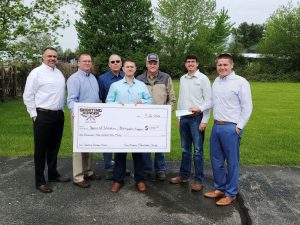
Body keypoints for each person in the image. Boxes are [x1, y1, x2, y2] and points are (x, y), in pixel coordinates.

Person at [204, 53, 253, 206]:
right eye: (219, 65)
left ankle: (231, 193)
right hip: (217, 126)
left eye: (225, 65)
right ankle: (220, 188)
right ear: (216, 66)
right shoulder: (217, 81)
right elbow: (211, 101)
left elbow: (247, 106)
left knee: (232, 162)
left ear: (232, 65)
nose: (222, 67)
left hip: (231, 127)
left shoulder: (241, 82)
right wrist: (198, 108)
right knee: (216, 160)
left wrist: (239, 127)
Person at [23, 47, 70, 194]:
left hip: (58, 115)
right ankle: (40, 181)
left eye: (55, 56)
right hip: (42, 115)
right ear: (43, 57)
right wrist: (33, 114)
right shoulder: (36, 73)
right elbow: (28, 95)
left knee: (54, 147)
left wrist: (62, 110)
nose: (52, 58)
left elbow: (60, 94)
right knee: (40, 150)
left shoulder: (59, 73)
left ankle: (53, 174)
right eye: (49, 56)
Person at [106, 59, 152, 193]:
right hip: (120, 125)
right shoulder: (115, 86)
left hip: (137, 125)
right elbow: (108, 102)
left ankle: (140, 180)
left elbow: (150, 101)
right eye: (127, 66)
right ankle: (117, 180)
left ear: (135, 69)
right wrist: (117, 104)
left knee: (138, 154)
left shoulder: (142, 85)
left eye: (132, 66)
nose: (130, 68)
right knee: (120, 154)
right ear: (123, 69)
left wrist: (142, 101)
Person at [169, 55, 212, 192]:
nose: (190, 64)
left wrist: (204, 121)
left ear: (197, 63)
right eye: (188, 62)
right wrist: (179, 116)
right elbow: (182, 99)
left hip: (197, 118)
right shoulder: (183, 78)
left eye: (193, 61)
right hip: (184, 118)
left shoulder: (203, 79)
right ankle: (184, 175)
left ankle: (199, 180)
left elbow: (208, 101)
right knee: (185, 149)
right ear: (185, 64)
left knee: (198, 151)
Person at [136, 53, 176, 181]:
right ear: (146, 64)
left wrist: (166, 113)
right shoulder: (140, 78)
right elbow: (136, 98)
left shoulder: (166, 77)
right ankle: (147, 169)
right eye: (150, 63)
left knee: (160, 145)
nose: (152, 65)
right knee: (145, 144)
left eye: (155, 63)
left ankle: (160, 169)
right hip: (143, 118)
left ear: (158, 64)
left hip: (161, 118)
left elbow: (172, 100)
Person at [67, 53, 101, 188]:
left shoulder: (93, 77)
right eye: (84, 61)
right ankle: (78, 176)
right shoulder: (74, 79)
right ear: (78, 63)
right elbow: (71, 99)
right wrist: (75, 112)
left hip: (92, 116)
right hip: (79, 116)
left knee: (89, 144)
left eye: (89, 61)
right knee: (78, 147)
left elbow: (95, 97)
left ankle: (87, 171)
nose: (87, 63)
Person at [98, 54, 126, 180]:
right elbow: (100, 97)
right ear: (109, 64)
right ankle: (109, 168)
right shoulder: (102, 79)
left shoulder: (127, 76)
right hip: (108, 115)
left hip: (124, 115)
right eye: (112, 62)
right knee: (108, 142)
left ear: (121, 64)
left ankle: (120, 167)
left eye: (118, 61)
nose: (115, 63)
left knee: (121, 142)